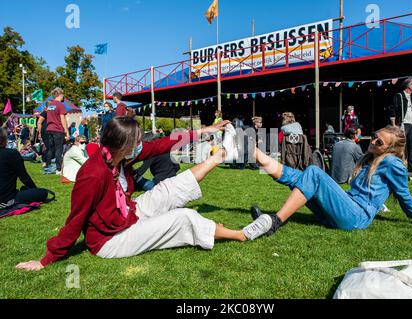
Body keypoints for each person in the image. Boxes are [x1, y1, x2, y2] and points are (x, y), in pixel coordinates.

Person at [15, 118, 268, 271]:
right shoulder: (93, 174)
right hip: (110, 240)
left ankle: (223, 154)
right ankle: (243, 235)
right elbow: (75, 220)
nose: (141, 144)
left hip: (129, 213)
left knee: (170, 187)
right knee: (182, 217)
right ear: (123, 144)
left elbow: (161, 144)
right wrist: (47, 259)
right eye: (136, 140)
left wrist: (204, 131)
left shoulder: (120, 155)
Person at [247, 125, 412, 241]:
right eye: (375, 137)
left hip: (355, 216)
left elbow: (404, 194)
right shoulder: (370, 158)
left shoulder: (392, 163)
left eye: (379, 142)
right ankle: (255, 153)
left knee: (314, 173)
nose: (373, 142)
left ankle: (274, 222)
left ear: (391, 149)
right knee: (301, 176)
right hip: (346, 209)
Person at [0, 128, 49, 211]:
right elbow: (25, 178)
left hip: (6, 195)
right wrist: (34, 189)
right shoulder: (12, 154)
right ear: (4, 140)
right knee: (43, 192)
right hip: (6, 199)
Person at [389, 78, 412, 173]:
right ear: (409, 86)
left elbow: (410, 111)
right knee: (401, 146)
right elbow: (393, 110)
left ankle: (411, 167)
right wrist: (394, 125)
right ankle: (399, 166)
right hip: (402, 124)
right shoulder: (399, 96)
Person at [45, 88, 70, 175]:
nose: (64, 97)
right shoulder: (60, 105)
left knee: (50, 149)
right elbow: (63, 119)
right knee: (58, 149)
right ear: (60, 95)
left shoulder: (50, 105)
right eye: (63, 95)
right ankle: (58, 169)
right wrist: (67, 131)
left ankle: (47, 166)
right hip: (57, 129)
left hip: (49, 129)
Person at [37, 103, 50, 168]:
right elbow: (39, 122)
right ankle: (45, 161)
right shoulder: (44, 113)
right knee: (47, 147)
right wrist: (39, 132)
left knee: (51, 147)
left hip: (52, 132)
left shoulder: (53, 114)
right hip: (45, 132)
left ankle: (47, 161)